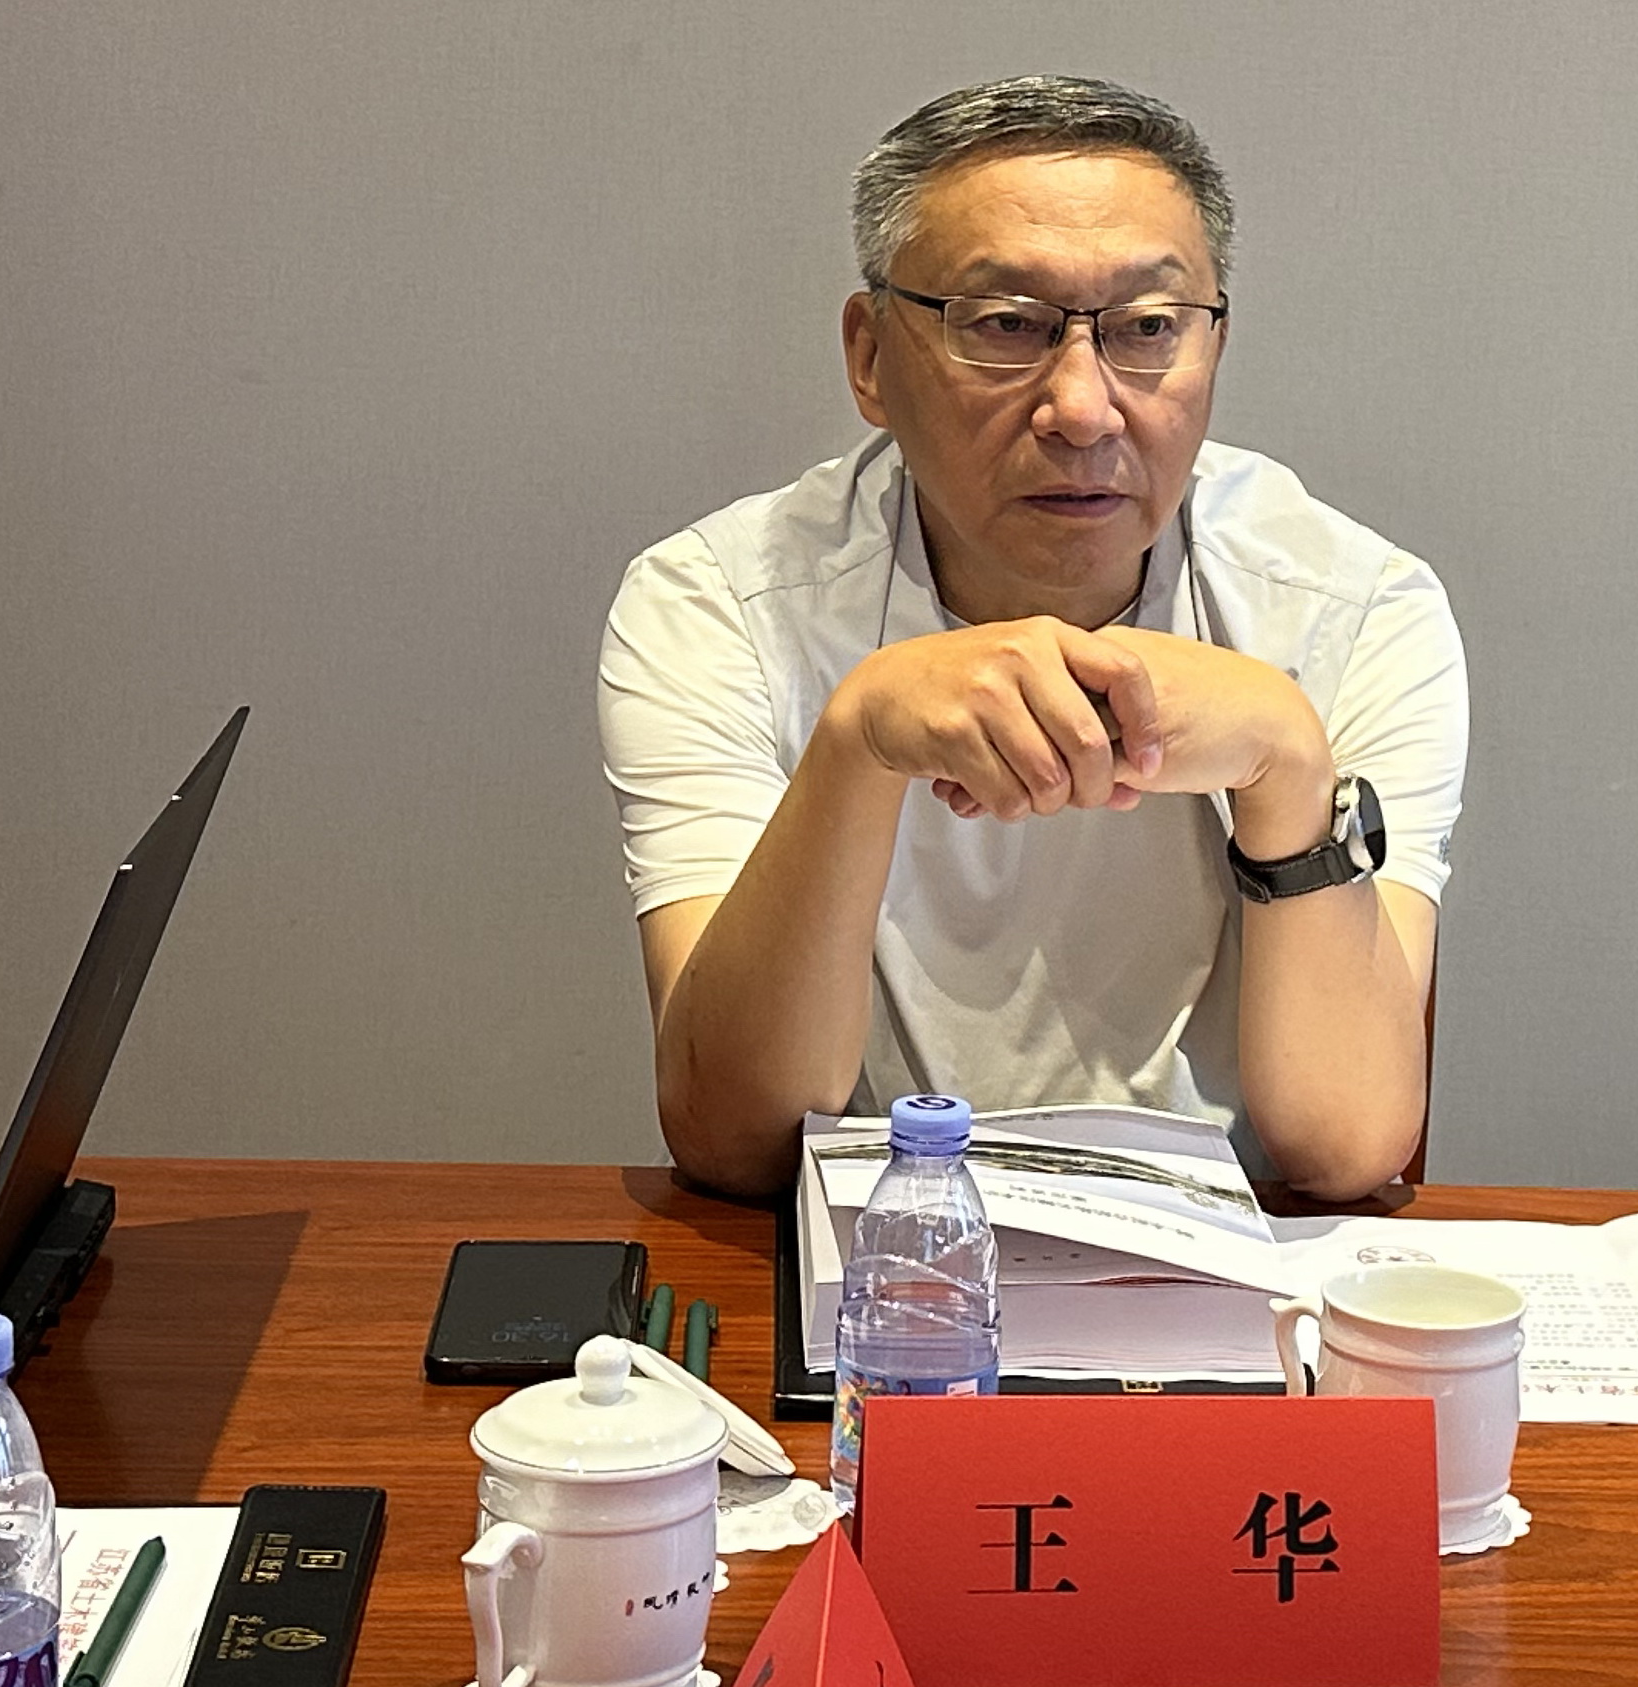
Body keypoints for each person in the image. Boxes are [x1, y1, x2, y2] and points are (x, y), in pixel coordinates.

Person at [599, 75, 1466, 1202]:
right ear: (870, 356)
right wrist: (857, 743)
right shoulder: (718, 600)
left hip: (1227, 1260)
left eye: (1148, 328)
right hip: (879, 1257)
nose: (1084, 409)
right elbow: (734, 1137)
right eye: (1005, 324)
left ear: (1212, 347)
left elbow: (1345, 1148)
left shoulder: (1355, 607)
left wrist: (1288, 761)